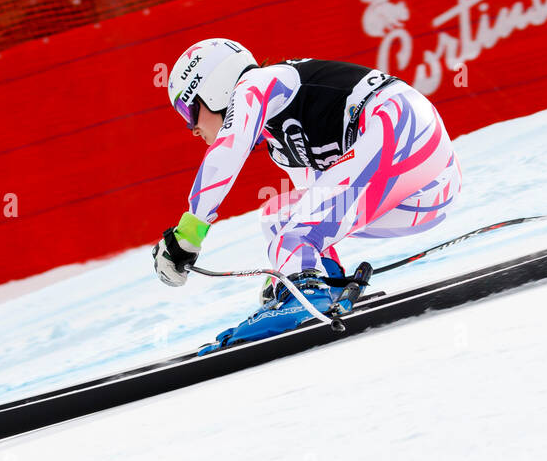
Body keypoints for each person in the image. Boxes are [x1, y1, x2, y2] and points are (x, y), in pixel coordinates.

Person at [152, 37, 461, 349]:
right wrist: (285, 276)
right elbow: (320, 210)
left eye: (188, 110)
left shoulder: (257, 83)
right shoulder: (282, 149)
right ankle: (321, 286)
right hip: (424, 196)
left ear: (214, 88)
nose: (191, 128)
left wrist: (187, 235)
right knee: (279, 218)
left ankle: (304, 295)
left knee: (296, 233)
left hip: (404, 126)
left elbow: (228, 151)